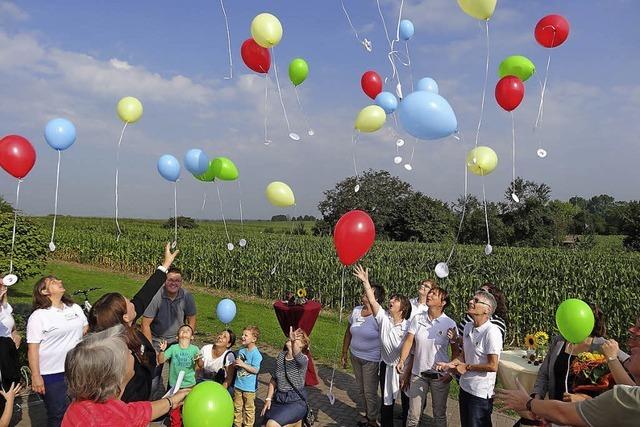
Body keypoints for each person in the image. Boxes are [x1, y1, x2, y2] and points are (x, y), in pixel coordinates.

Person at [89, 243, 178, 402]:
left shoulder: (123, 326)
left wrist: (165, 265)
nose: (132, 301)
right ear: (125, 317)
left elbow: (144, 294)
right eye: (128, 302)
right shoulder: (120, 357)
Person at [62, 325, 189, 427]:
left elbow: (138, 412)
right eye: (128, 351)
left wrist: (171, 401)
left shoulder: (80, 404)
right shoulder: (114, 421)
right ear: (116, 373)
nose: (131, 352)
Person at [497, 346, 640, 427]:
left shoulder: (601, 347)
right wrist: (537, 396)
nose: (632, 347)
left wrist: (528, 403)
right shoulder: (559, 342)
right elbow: (544, 373)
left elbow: (562, 413)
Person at [531, 305, 628, 405]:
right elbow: (544, 374)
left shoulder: (603, 346)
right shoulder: (559, 341)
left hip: (586, 415)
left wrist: (586, 400)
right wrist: (537, 399)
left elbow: (629, 366)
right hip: (556, 411)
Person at [353, 265, 411, 427]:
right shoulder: (383, 319)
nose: (391, 301)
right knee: (387, 403)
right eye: (391, 298)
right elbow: (372, 300)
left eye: (396, 300)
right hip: (387, 366)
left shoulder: (409, 327)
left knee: (407, 402)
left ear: (403, 308)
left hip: (405, 368)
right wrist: (365, 281)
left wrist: (406, 369)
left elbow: (412, 351)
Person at [27, 275, 88, 427]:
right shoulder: (39, 316)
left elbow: (85, 329)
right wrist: (36, 375)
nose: (60, 282)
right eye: (53, 282)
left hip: (77, 369)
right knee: (58, 414)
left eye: (59, 280)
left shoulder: (74, 308)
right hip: (52, 373)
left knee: (80, 410)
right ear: (44, 291)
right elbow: (33, 348)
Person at [437, 290, 503, 427]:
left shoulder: (492, 332)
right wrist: (449, 365)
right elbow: (464, 355)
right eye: (472, 299)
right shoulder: (468, 327)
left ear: (487, 309)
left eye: (476, 301)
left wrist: (467, 367)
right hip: (465, 388)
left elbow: (493, 365)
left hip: (480, 394)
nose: (471, 302)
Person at [397, 286, 458, 427]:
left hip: (439, 375)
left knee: (439, 415)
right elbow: (409, 341)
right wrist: (401, 360)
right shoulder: (418, 318)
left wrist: (451, 372)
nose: (429, 295)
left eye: (434, 294)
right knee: (413, 415)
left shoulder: (449, 323)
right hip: (418, 374)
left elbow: (455, 351)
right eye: (430, 293)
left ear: (443, 303)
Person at [141, 266, 197, 399]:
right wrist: (151, 349)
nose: (174, 283)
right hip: (157, 340)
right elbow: (145, 324)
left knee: (177, 377)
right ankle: (149, 406)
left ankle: (170, 406)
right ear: (165, 281)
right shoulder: (156, 297)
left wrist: (187, 340)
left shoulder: (187, 297)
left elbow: (192, 319)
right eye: (170, 280)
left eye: (177, 281)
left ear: (181, 282)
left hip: (177, 340)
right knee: (154, 376)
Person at [341, 279, 384, 427]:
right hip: (355, 356)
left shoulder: (379, 316)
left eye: (367, 293)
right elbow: (348, 332)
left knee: (370, 391)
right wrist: (344, 352)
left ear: (375, 298)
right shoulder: (356, 311)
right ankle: (367, 414)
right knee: (361, 389)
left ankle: (372, 420)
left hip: (371, 359)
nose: (363, 294)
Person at [261, 327, 310, 427]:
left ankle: (296, 420)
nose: (293, 338)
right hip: (279, 399)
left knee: (271, 425)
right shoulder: (281, 356)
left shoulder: (303, 360)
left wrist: (293, 343)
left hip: (296, 401)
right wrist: (268, 399)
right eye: (293, 336)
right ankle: (296, 422)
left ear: (303, 345)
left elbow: (297, 354)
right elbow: (274, 379)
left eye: (297, 338)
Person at [158, 324, 200, 427]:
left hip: (190, 384)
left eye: (188, 330)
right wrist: (162, 351)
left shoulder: (195, 349)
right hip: (175, 385)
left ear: (192, 337)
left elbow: (201, 365)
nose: (185, 331)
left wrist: (199, 359)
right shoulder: (173, 348)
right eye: (182, 330)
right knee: (174, 408)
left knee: (189, 407)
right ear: (177, 337)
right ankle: (175, 425)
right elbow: (160, 360)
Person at [0, 280, 21, 425]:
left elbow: (11, 329)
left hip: (7, 353)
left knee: (9, 388)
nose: (3, 284)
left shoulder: (5, 307)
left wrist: (16, 334)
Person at [233, 326, 263, 427]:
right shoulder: (241, 351)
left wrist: (242, 364)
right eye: (242, 334)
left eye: (246, 335)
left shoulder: (256, 354)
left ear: (253, 339)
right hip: (238, 385)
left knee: (249, 409)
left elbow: (255, 370)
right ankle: (237, 424)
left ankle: (248, 425)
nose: (242, 337)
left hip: (249, 388)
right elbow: (239, 365)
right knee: (237, 407)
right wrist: (236, 365)